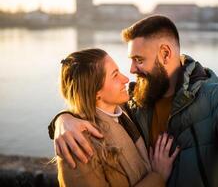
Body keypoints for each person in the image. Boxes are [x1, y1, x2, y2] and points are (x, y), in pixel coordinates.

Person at [48, 16, 218, 187]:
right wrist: (64, 119)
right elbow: (93, 107)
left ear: (165, 53)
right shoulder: (135, 101)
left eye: (138, 59)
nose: (131, 70)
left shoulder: (213, 96)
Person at [55, 48, 179, 187]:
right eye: (115, 75)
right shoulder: (78, 145)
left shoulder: (124, 111)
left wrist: (62, 118)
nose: (125, 79)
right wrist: (158, 176)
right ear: (95, 92)